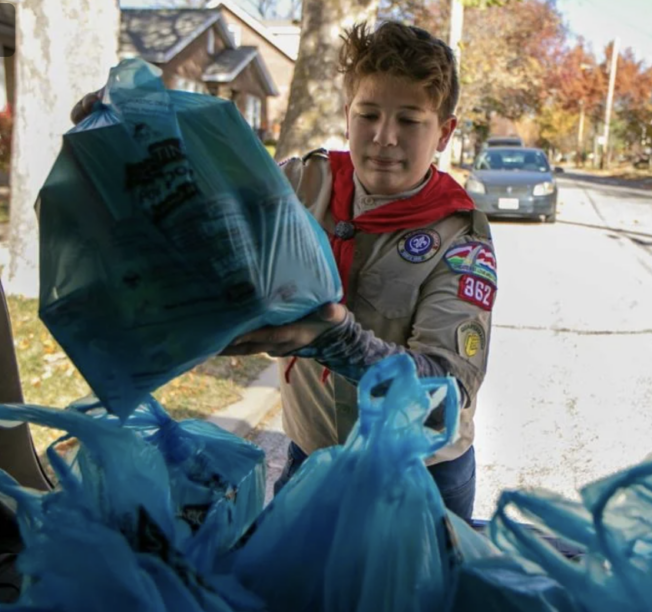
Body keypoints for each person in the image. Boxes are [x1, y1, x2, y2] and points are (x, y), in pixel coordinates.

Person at [70, 21, 496, 523]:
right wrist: (133, 137)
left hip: (419, 473)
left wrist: (339, 341)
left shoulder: (460, 239)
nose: (384, 137)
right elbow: (203, 206)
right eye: (368, 114)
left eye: (409, 120)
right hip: (311, 451)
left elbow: (447, 393)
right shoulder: (300, 182)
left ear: (444, 132)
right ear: (347, 114)